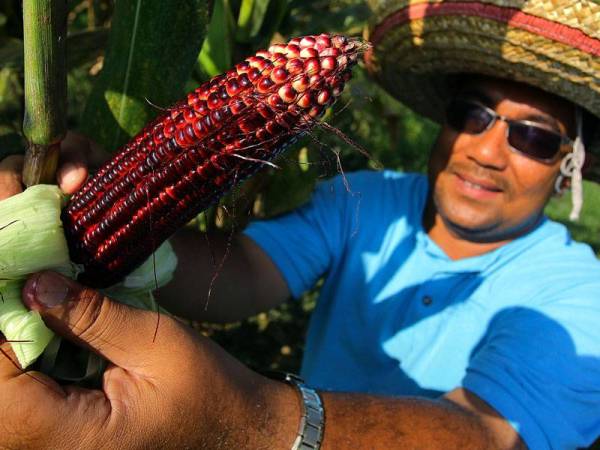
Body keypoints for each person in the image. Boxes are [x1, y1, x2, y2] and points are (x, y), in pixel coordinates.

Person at [1, 0, 599, 448]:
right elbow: (241, 276)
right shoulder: (367, 198)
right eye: (472, 113)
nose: (487, 149)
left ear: (571, 170)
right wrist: (107, 214)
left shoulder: (578, 294)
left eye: (533, 137)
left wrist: (252, 420)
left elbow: (492, 438)